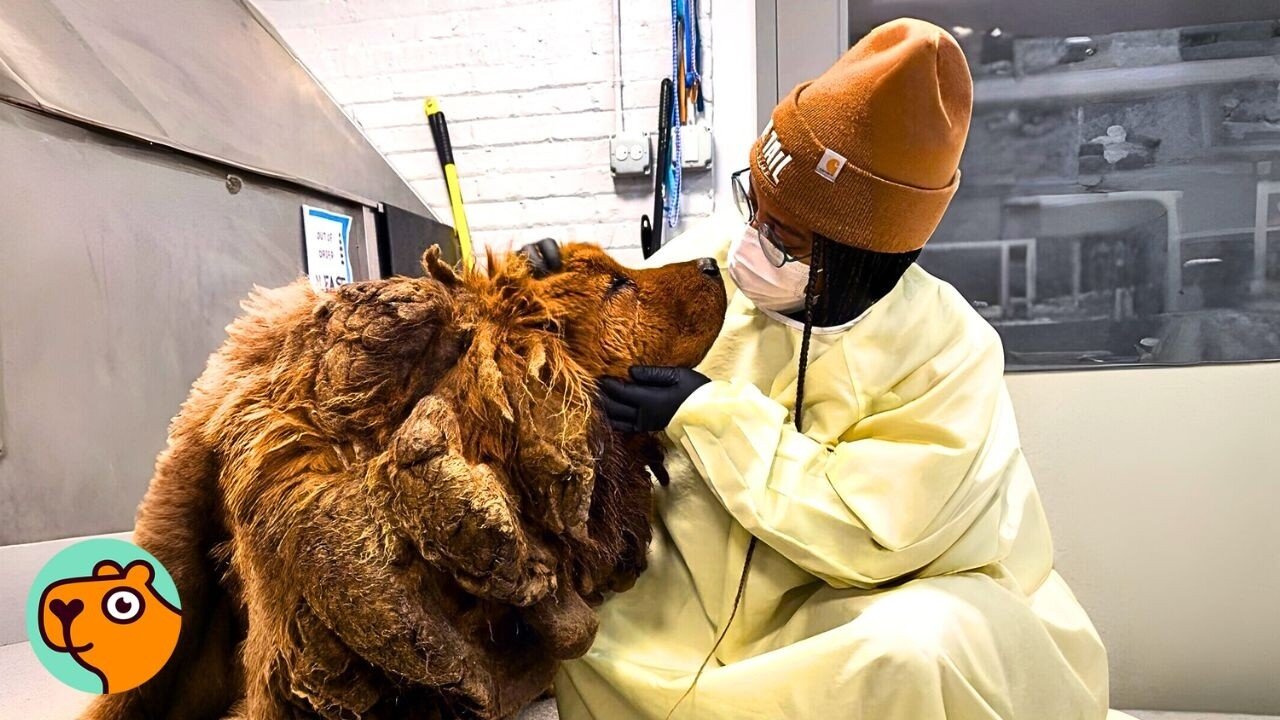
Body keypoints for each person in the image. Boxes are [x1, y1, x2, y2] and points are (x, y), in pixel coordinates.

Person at [556, 18, 1127, 720]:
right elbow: (605, 331)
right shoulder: (715, 259)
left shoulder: (947, 352)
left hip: (853, 608)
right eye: (755, 208)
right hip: (686, 613)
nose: (749, 244)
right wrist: (554, 302)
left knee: (911, 653)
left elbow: (869, 535)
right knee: (582, 643)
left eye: (786, 238)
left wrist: (709, 416)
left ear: (864, 258)